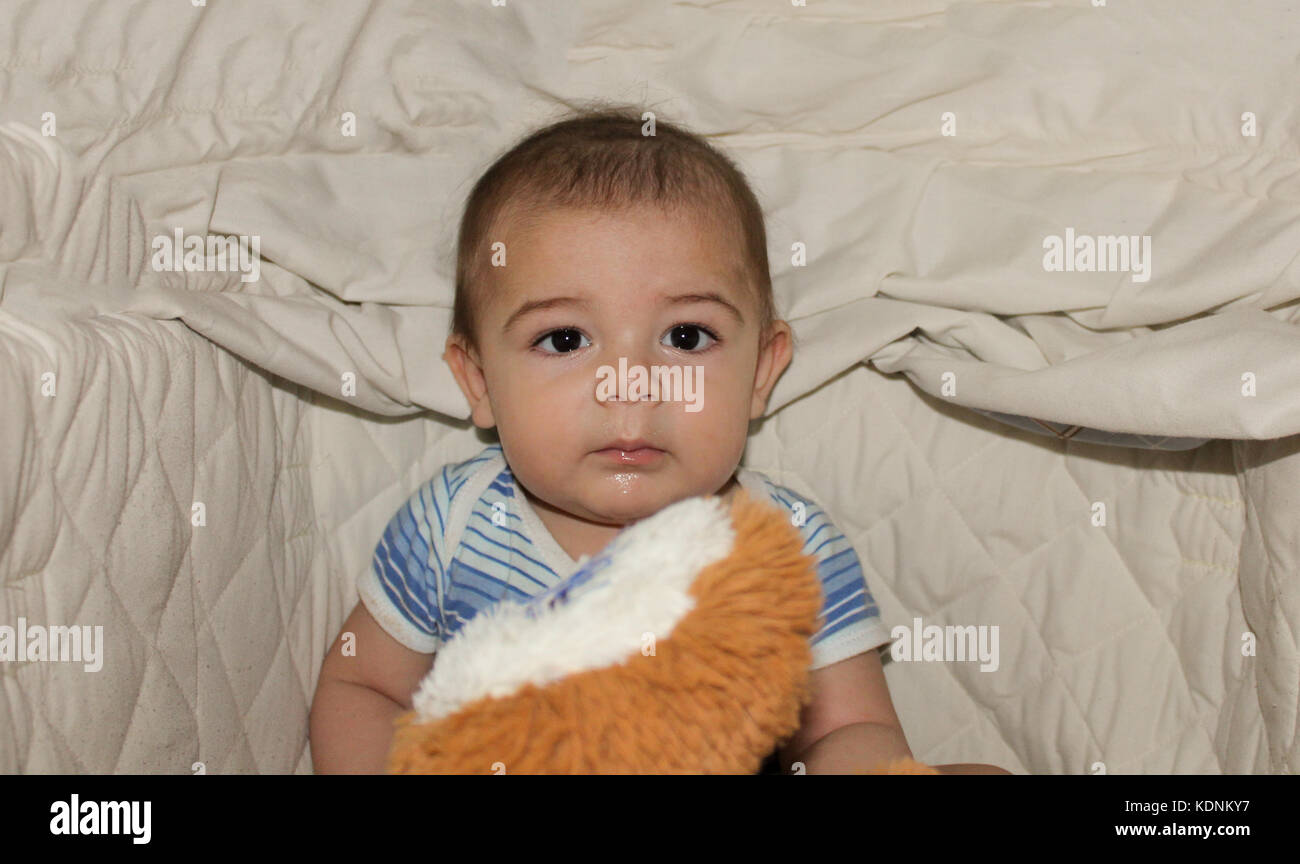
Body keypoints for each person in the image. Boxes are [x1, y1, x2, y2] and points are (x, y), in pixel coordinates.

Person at [309, 104, 1010, 775]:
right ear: (479, 381)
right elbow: (362, 688)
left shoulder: (787, 542)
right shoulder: (453, 526)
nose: (630, 384)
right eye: (564, 339)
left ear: (761, 370)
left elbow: (850, 728)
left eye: (685, 337)